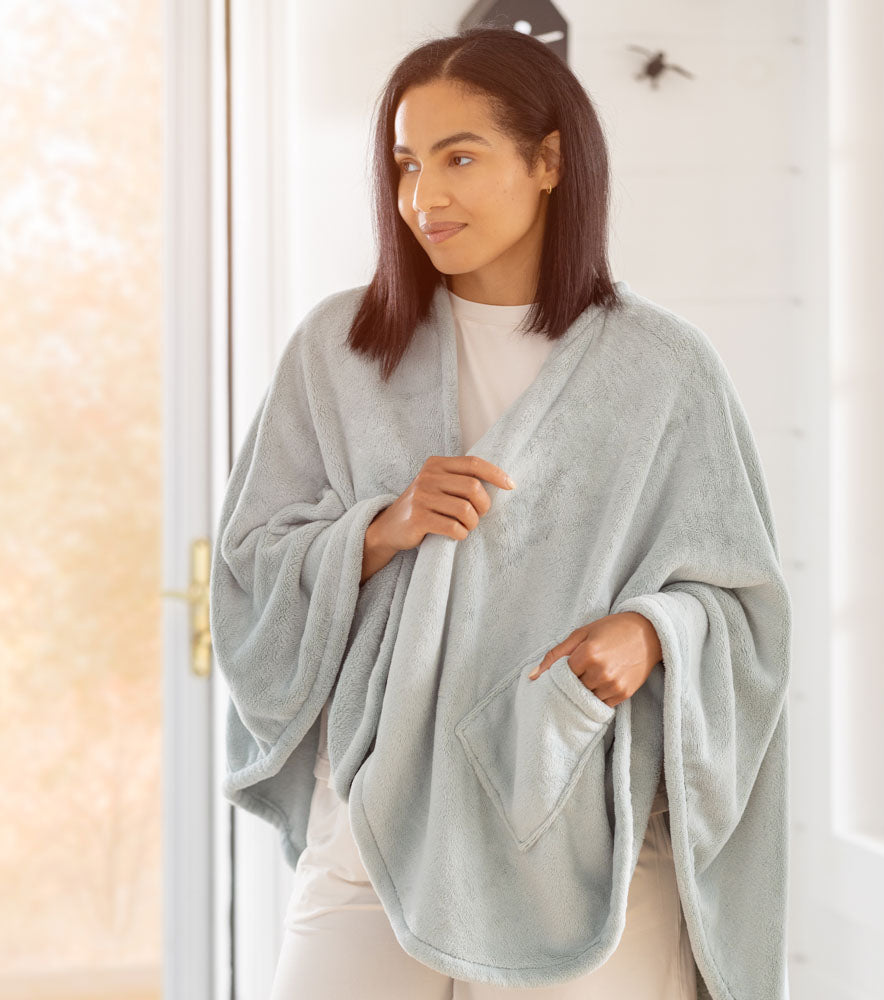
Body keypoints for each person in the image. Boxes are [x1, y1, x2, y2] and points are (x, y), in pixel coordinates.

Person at [211, 24, 791, 1000]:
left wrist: (652, 632)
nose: (423, 198)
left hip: (580, 822)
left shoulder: (661, 371)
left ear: (549, 161)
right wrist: (382, 528)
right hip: (375, 817)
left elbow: (745, 606)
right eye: (406, 164)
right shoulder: (339, 350)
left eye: (460, 158)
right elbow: (246, 568)